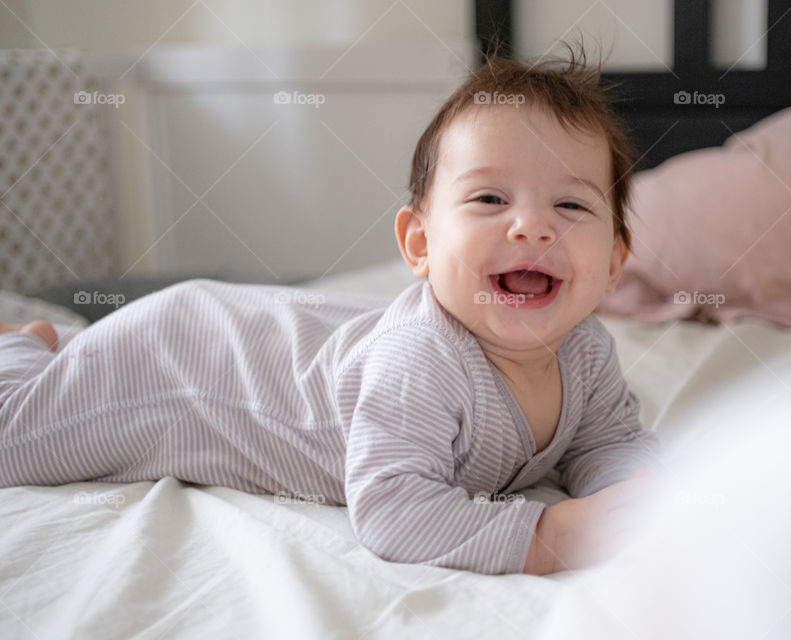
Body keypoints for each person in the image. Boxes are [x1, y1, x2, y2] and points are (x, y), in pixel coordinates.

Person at [0, 44, 658, 575]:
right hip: (176, 369)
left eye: (571, 206)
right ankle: (22, 350)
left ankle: (55, 344)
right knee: (14, 439)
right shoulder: (424, 360)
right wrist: (552, 534)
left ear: (611, 262)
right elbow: (395, 513)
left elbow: (609, 444)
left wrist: (647, 497)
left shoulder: (587, 352)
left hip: (248, 334)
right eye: (489, 200)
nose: (531, 227)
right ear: (420, 243)